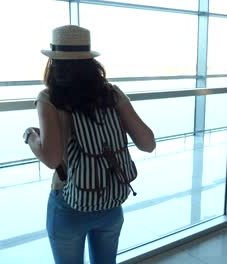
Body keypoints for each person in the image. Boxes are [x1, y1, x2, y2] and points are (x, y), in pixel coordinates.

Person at [23, 25, 155, 264]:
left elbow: (52, 158)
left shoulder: (50, 98)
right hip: (111, 203)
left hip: (69, 205)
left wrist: (31, 137)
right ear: (91, 62)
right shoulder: (112, 94)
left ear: (53, 61)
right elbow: (148, 143)